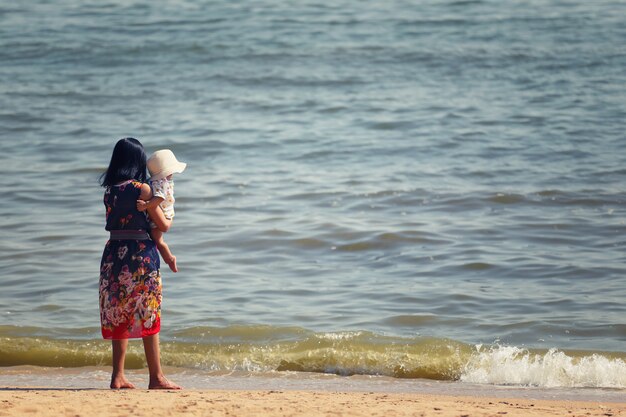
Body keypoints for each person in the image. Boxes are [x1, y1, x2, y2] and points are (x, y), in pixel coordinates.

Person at [99, 137, 181, 390]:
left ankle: (117, 376)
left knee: (118, 313)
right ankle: (155, 377)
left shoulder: (109, 191)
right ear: (137, 161)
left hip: (113, 256)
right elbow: (164, 225)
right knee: (148, 313)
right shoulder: (142, 190)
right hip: (140, 256)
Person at [135, 149, 187, 273]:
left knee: (158, 240)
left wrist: (146, 205)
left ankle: (170, 259)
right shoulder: (164, 181)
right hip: (165, 211)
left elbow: (159, 198)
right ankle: (168, 259)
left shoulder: (159, 182)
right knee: (156, 239)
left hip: (164, 213)